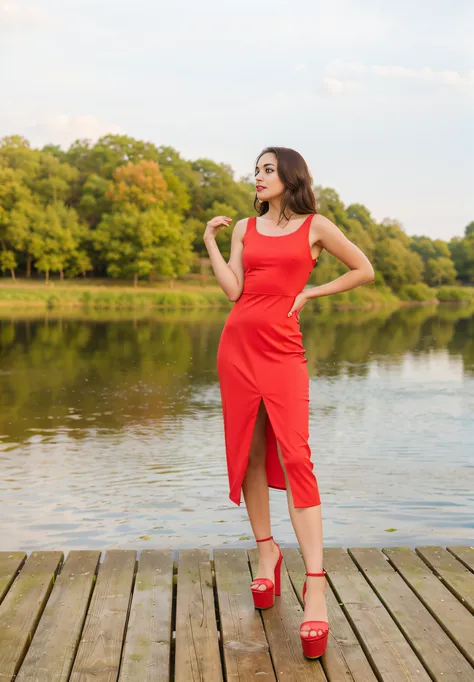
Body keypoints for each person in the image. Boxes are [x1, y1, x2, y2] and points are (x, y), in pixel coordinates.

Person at [203, 146, 375, 659]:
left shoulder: (315, 226)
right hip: (236, 350)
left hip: (283, 353)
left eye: (267, 170)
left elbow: (364, 270)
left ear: (289, 177)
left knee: (296, 456)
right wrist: (210, 242)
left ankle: (315, 585)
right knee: (250, 454)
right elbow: (234, 291)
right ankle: (266, 555)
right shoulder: (243, 230)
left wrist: (311, 293)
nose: (256, 177)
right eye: (255, 170)